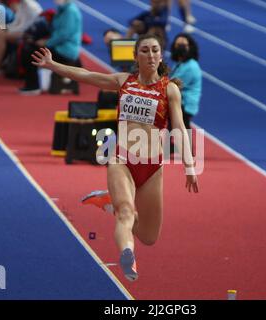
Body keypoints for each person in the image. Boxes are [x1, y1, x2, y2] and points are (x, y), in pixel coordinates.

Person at [30, 34, 199, 281]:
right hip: (122, 160)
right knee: (126, 214)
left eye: (155, 50)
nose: (150, 55)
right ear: (136, 56)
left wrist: (190, 166)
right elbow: (87, 75)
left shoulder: (170, 90)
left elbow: (179, 128)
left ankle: (108, 203)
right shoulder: (123, 82)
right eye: (145, 51)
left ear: (161, 55)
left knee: (149, 237)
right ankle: (127, 254)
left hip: (152, 168)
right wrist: (53, 65)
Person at [19, 0, 82, 95]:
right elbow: (55, 29)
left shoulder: (70, 11)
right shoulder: (62, 10)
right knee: (29, 46)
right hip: (58, 46)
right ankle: (31, 84)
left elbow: (64, 34)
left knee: (31, 52)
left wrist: (47, 43)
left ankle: (33, 86)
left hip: (66, 50)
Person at [0, 0, 42, 76]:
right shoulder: (23, 4)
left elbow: (28, 27)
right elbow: (17, 22)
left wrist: (8, 31)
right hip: (22, 30)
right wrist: (7, 29)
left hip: (29, 34)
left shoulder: (31, 7)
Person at [170, 33, 201, 130]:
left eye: (183, 45)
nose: (180, 48)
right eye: (178, 45)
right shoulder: (180, 63)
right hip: (179, 102)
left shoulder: (191, 66)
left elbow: (174, 85)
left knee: (180, 132)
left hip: (185, 104)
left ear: (190, 47)